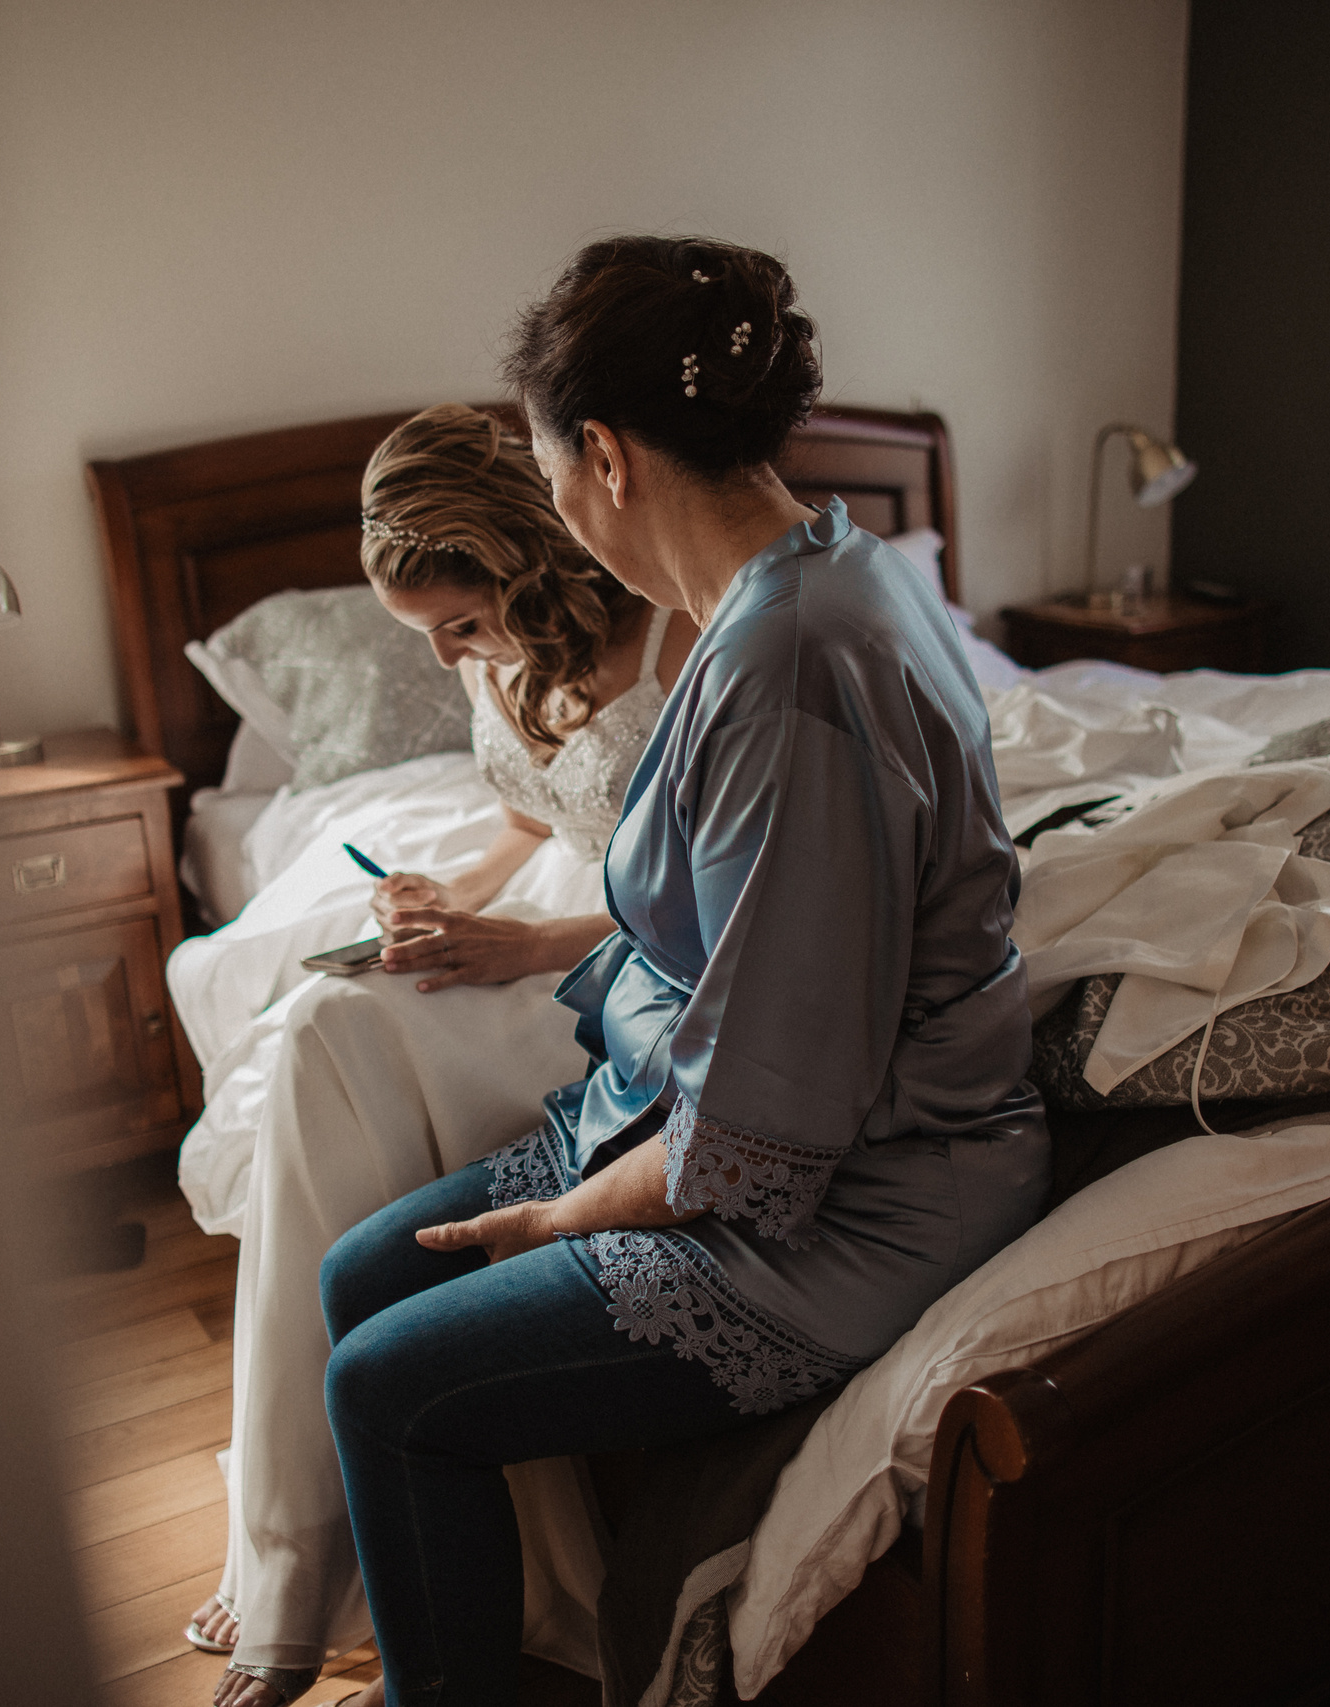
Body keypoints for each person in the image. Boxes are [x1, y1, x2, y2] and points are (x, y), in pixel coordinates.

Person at [231, 237, 1048, 1707]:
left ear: (602, 453)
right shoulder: (817, 569)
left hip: (831, 1215)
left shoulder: (791, 669)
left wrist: (557, 1218)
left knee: (384, 1384)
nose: (555, 507)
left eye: (548, 474)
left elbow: (758, 1140)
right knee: (359, 1278)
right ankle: (469, 1636)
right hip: (663, 1106)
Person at [174, 403, 697, 1698]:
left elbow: (702, 896)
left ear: (532, 557)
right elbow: (535, 810)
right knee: (324, 1030)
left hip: (629, 969)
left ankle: (310, 1568)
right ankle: (299, 1561)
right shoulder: (487, 656)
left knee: (337, 1038)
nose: (456, 653)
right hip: (539, 928)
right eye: (432, 639)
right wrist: (450, 893)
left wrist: (516, 948)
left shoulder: (684, 632)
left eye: (463, 622)